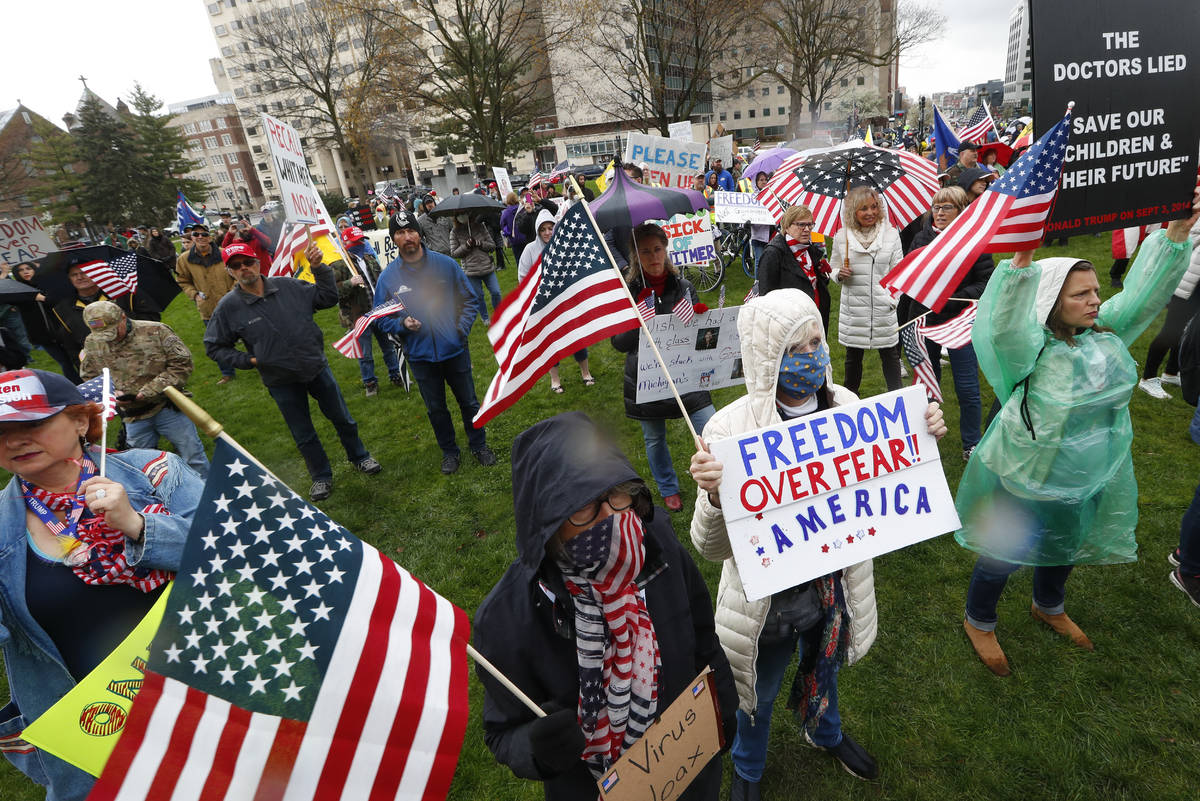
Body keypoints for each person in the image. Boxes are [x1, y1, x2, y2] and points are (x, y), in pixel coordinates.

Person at [688, 289, 947, 799]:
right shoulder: (727, 429)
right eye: (797, 347)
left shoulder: (846, 406)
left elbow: (883, 479)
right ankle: (748, 768)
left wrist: (924, 432)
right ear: (767, 358)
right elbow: (710, 548)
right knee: (756, 694)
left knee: (824, 666)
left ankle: (824, 731)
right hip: (767, 606)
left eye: (817, 340)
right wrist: (714, 498)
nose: (815, 354)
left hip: (832, 593)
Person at [956, 192, 1200, 676]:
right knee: (1005, 550)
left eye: (1094, 291)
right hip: (1026, 471)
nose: (1095, 301)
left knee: (1066, 540)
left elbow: (1141, 296)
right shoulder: (1029, 351)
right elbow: (1002, 327)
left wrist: (1175, 235)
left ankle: (1048, 605)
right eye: (1080, 294)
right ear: (1051, 303)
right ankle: (979, 618)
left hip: (1086, 471)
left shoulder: (1106, 334)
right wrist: (1021, 266)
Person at [473, 411, 738, 801]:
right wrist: (536, 748)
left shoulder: (656, 541)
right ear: (546, 523)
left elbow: (701, 633)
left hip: (687, 763)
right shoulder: (508, 618)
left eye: (618, 493)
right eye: (583, 508)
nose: (612, 518)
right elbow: (501, 732)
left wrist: (723, 707)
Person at [0, 368, 203, 801]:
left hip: (208, 689)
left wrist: (136, 524)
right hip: (104, 726)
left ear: (79, 420)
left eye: (32, 424)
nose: (13, 441)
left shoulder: (157, 473)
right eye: (0, 432)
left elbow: (233, 550)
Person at [204, 241, 383, 501]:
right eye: (236, 266)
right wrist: (251, 360)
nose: (244, 269)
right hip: (280, 380)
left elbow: (327, 297)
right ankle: (321, 476)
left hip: (315, 366)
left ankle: (360, 456)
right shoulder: (228, 307)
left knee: (342, 418)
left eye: (247, 262)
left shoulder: (288, 286)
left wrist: (318, 268)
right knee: (303, 432)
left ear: (257, 262)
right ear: (230, 271)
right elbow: (214, 346)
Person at [373, 210, 497, 475]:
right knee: (436, 409)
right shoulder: (388, 278)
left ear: (419, 233)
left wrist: (460, 331)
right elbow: (380, 318)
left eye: (411, 231)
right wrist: (401, 325)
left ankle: (479, 445)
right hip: (420, 356)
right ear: (394, 238)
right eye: (400, 233)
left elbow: (470, 299)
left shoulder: (446, 265)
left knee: (469, 402)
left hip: (455, 349)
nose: (407, 237)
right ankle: (449, 452)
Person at [611, 223, 713, 512]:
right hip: (647, 377)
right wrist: (639, 321)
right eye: (645, 252)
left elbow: (698, 338)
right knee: (654, 438)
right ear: (636, 256)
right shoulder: (627, 292)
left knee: (711, 427)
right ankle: (668, 487)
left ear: (666, 250)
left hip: (686, 372)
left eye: (657, 249)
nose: (653, 257)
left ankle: (716, 477)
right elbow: (618, 343)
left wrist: (699, 319)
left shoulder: (683, 286)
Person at [899, 186, 993, 459]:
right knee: (926, 385)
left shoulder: (974, 241)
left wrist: (953, 298)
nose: (939, 213)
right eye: (936, 207)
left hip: (959, 323)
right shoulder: (921, 238)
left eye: (947, 207)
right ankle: (929, 442)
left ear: (961, 211)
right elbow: (909, 275)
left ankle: (971, 443)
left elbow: (986, 282)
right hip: (923, 320)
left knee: (967, 386)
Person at [77, 301, 209, 476]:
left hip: (166, 406)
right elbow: (90, 376)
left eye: (114, 331)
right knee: (144, 466)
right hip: (133, 417)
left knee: (192, 455)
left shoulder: (156, 331)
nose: (111, 339)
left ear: (123, 317)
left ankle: (206, 495)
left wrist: (146, 392)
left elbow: (181, 365)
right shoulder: (92, 342)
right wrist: (110, 392)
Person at [519, 210, 596, 393]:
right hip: (544, 305)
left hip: (566, 302)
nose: (547, 232)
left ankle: (586, 373)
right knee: (551, 342)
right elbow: (523, 277)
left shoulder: (564, 245)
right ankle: (555, 380)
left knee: (577, 338)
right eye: (543, 229)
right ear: (538, 231)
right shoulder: (530, 250)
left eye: (550, 228)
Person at [50, 265, 162, 373]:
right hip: (103, 367)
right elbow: (71, 346)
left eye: (84, 272)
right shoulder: (62, 309)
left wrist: (123, 323)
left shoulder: (123, 294)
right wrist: (85, 369)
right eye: (74, 275)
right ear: (69, 279)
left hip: (141, 355)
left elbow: (152, 320)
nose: (80, 277)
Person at [1137, 218, 1200, 399]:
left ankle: (1171, 372)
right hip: (1189, 283)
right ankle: (1148, 377)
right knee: (1172, 330)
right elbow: (1186, 239)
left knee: (1189, 329)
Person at [336, 226, 402, 396]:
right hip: (359, 316)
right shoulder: (339, 265)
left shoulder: (370, 258)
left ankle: (396, 375)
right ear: (347, 243)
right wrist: (349, 283)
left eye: (362, 241)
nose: (361, 244)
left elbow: (381, 281)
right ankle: (370, 382)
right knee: (365, 353)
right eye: (357, 241)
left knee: (388, 346)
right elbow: (333, 292)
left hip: (378, 311)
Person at [174, 223, 237, 384]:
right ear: (192, 238)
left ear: (210, 237)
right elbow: (182, 280)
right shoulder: (184, 259)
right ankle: (227, 373)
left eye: (204, 234)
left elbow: (237, 274)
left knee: (249, 336)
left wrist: (233, 292)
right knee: (217, 342)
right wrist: (194, 295)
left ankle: (260, 363)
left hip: (234, 306)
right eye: (196, 234)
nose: (200, 237)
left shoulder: (224, 254)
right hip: (208, 308)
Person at [756, 204, 833, 331]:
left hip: (815, 320)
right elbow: (766, 297)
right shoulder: (773, 253)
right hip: (789, 326)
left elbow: (812, 284)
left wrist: (823, 276)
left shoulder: (809, 249)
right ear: (787, 226)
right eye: (801, 225)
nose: (807, 229)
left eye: (810, 225)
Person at [11, 262, 81, 382]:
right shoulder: (18, 291)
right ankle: (77, 386)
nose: (25, 272)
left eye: (28, 268)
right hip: (42, 335)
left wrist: (43, 298)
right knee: (65, 363)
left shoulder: (48, 285)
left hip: (63, 330)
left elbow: (59, 299)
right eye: (21, 270)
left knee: (78, 358)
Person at [450, 213, 500, 326]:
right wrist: (466, 246)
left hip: (487, 266)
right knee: (479, 296)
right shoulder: (454, 232)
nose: (462, 216)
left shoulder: (480, 226)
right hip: (471, 271)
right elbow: (454, 253)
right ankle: (485, 318)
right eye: (460, 214)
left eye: (465, 213)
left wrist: (479, 243)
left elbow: (492, 245)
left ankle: (499, 314)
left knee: (496, 292)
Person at [499, 191, 527, 268]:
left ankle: (522, 278)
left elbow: (502, 224)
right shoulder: (523, 208)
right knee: (529, 259)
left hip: (514, 239)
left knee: (519, 260)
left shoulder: (506, 212)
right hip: (526, 237)